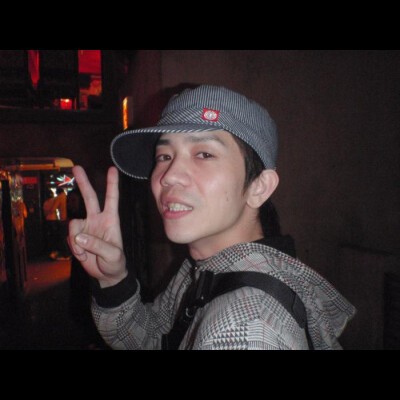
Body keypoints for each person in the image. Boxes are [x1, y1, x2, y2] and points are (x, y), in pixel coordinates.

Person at [68, 85, 356, 350]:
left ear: (258, 187)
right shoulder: (202, 270)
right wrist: (113, 280)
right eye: (164, 156)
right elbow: (150, 339)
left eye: (204, 154)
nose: (169, 176)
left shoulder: (246, 328)